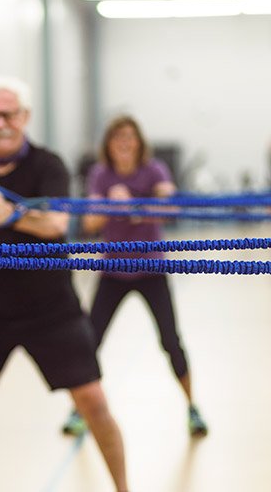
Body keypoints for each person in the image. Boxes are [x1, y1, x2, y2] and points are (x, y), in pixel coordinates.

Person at [0, 77, 129, 492]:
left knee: (93, 402)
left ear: (25, 117)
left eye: (9, 114)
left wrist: (4, 213)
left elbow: (56, 223)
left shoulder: (48, 165)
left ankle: (123, 487)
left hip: (52, 308)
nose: (1, 122)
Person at [64, 115, 207, 438]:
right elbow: (89, 226)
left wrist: (147, 203)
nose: (124, 144)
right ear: (109, 146)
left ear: (139, 143)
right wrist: (109, 206)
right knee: (90, 340)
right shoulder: (102, 175)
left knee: (171, 340)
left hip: (151, 269)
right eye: (118, 139)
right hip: (113, 270)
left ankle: (192, 407)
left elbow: (171, 210)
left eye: (129, 138)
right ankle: (80, 409)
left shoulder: (153, 170)